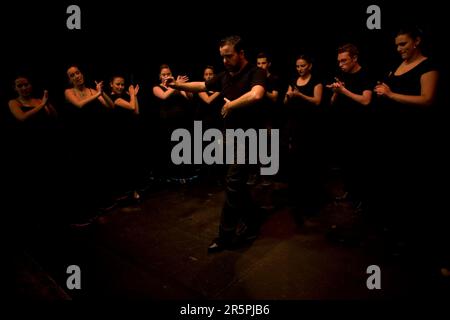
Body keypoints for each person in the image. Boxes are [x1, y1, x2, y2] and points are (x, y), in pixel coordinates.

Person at [165, 35, 266, 252]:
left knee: (232, 183)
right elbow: (201, 85)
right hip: (229, 137)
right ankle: (254, 217)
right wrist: (177, 84)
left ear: (241, 54)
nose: (225, 60)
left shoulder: (255, 72)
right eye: (222, 57)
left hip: (249, 139)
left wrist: (232, 106)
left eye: (229, 56)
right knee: (235, 185)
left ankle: (225, 236)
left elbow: (257, 95)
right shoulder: (224, 76)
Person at [373, 26, 442, 260]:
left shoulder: (428, 66)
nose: (399, 48)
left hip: (415, 138)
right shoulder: (397, 67)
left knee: (415, 189)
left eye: (403, 44)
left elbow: (427, 99)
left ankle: (418, 243)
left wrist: (391, 94)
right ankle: (398, 236)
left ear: (417, 41)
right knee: (396, 188)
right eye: (396, 45)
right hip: (394, 137)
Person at [326, 43, 373, 214]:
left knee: (360, 164)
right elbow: (332, 103)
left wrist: (344, 91)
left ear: (354, 58)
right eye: (339, 61)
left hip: (360, 129)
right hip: (343, 127)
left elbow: (366, 100)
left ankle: (363, 199)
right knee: (346, 163)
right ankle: (351, 192)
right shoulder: (341, 75)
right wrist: (336, 92)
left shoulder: (365, 74)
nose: (341, 64)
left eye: (344, 61)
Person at [284, 54, 323, 221]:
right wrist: (288, 96)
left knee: (309, 163)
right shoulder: (293, 81)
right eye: (298, 66)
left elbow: (317, 101)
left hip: (310, 126)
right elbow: (285, 102)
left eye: (303, 66)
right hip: (294, 125)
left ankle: (312, 202)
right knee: (296, 163)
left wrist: (300, 96)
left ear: (310, 66)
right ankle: (297, 200)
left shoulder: (316, 81)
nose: (300, 69)